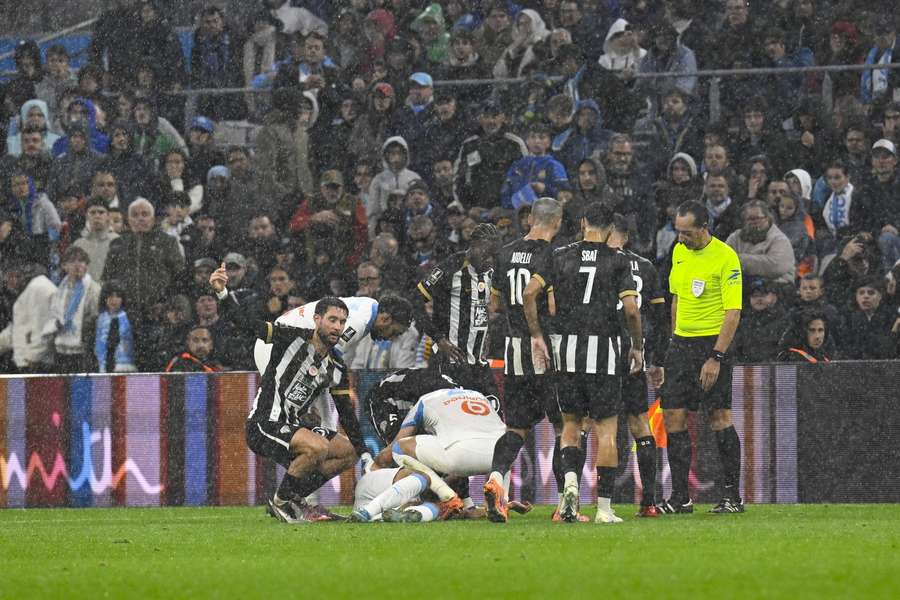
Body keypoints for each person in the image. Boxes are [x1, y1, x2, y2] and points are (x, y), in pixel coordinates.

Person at [210, 267, 365, 523]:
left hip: (294, 426)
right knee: (317, 447)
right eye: (332, 320)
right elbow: (247, 325)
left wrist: (366, 453)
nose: (337, 327)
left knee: (347, 451)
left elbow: (346, 413)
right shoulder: (290, 337)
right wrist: (223, 294)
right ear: (317, 320)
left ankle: (291, 498)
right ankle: (284, 503)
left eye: (342, 322)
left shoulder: (337, 367)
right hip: (264, 424)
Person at [482, 198, 568, 523]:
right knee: (564, 427)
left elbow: (495, 304)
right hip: (545, 349)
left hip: (513, 350)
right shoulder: (553, 256)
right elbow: (546, 302)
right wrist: (537, 330)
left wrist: (519, 323)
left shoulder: (504, 253)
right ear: (557, 222)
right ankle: (564, 504)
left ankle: (496, 480)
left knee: (515, 429)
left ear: (530, 218)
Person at [660, 201, 744, 515]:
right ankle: (681, 497)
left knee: (718, 418)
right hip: (681, 345)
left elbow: (732, 312)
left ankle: (732, 497)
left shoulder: (726, 257)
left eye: (687, 232)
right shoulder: (678, 251)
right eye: (678, 232)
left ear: (704, 226)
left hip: (711, 345)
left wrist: (716, 356)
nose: (681, 238)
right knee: (673, 417)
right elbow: (677, 298)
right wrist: (672, 341)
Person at [364, 386, 507, 522]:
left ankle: (447, 497)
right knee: (505, 447)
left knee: (399, 448)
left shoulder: (425, 399)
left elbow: (395, 445)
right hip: (499, 458)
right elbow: (504, 435)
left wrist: (375, 464)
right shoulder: (478, 396)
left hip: (458, 457)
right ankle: (500, 503)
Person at [605, 214, 669, 516]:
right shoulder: (645, 266)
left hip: (602, 352)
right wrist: (653, 357)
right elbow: (656, 320)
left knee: (587, 425)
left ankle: (576, 500)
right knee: (639, 424)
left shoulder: (598, 263)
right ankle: (650, 502)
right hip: (633, 353)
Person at [414, 223, 501, 395]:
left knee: (494, 418)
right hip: (451, 363)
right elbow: (415, 301)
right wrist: (438, 338)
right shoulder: (450, 267)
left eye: (493, 255)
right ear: (474, 245)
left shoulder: (492, 269)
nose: (489, 259)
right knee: (454, 419)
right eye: (486, 253)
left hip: (480, 365)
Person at [43, 246, 101, 373]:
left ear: (87, 265)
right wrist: (56, 324)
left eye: (81, 261)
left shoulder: (94, 289)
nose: (77, 265)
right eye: (72, 261)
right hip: (60, 348)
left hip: (83, 351)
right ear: (64, 266)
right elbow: (52, 316)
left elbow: (96, 319)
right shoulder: (59, 290)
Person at [0, 263, 57, 373]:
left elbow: (43, 328)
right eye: (9, 277)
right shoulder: (30, 290)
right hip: (30, 361)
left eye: (15, 276)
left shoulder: (38, 288)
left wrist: (34, 357)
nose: (12, 281)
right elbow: (18, 329)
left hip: (36, 364)